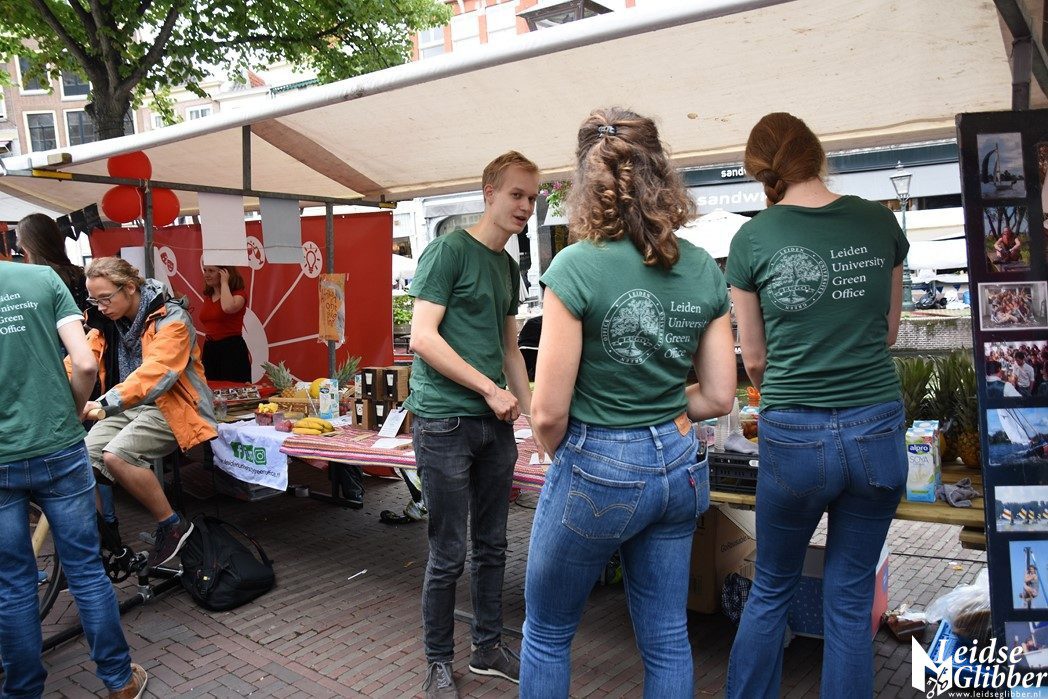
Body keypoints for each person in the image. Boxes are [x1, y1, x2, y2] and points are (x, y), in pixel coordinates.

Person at [519, 108, 736, 698]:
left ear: (585, 181)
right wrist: (665, 415)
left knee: (548, 631)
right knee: (666, 637)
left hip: (598, 463)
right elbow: (720, 394)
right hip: (679, 464)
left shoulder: (576, 266)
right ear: (661, 173)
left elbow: (547, 412)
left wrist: (571, 454)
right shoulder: (700, 267)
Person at [724, 112, 909, 699]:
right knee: (850, 599)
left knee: (771, 588)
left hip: (795, 432)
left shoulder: (752, 239)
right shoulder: (879, 222)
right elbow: (888, 333)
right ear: (818, 154)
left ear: (760, 171)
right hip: (876, 426)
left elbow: (754, 361)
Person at [404, 151, 539, 698]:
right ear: (489, 193)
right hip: (444, 421)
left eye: (532, 198)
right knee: (448, 552)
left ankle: (487, 649)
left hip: (494, 425)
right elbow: (422, 337)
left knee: (494, 546)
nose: (525, 206)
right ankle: (438, 660)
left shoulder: (508, 266)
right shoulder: (449, 250)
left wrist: (536, 418)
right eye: (516, 194)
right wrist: (489, 390)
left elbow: (510, 349)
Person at [0, 257, 148, 698]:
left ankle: (22, 692)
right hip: (57, 444)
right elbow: (84, 364)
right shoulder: (40, 279)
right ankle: (119, 682)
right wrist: (73, 410)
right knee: (85, 569)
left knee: (13, 583)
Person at [80, 257, 217, 568]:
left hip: (174, 405)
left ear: (129, 287)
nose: (101, 307)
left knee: (117, 455)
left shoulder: (172, 318)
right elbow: (80, 361)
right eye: (94, 300)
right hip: (129, 405)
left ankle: (172, 524)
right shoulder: (104, 322)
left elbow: (158, 371)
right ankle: (98, 542)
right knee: (81, 460)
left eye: (105, 298)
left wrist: (103, 403)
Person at [16, 212, 90, 312]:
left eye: (19, 240)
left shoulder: (28, 280)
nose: (18, 244)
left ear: (28, 244)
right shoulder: (79, 273)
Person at [199, 265, 251, 382]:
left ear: (224, 272)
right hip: (210, 348)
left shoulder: (239, 294)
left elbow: (228, 308)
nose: (206, 275)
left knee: (234, 388)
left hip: (231, 349)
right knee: (210, 388)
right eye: (205, 270)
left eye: (211, 271)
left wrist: (224, 283)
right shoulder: (209, 296)